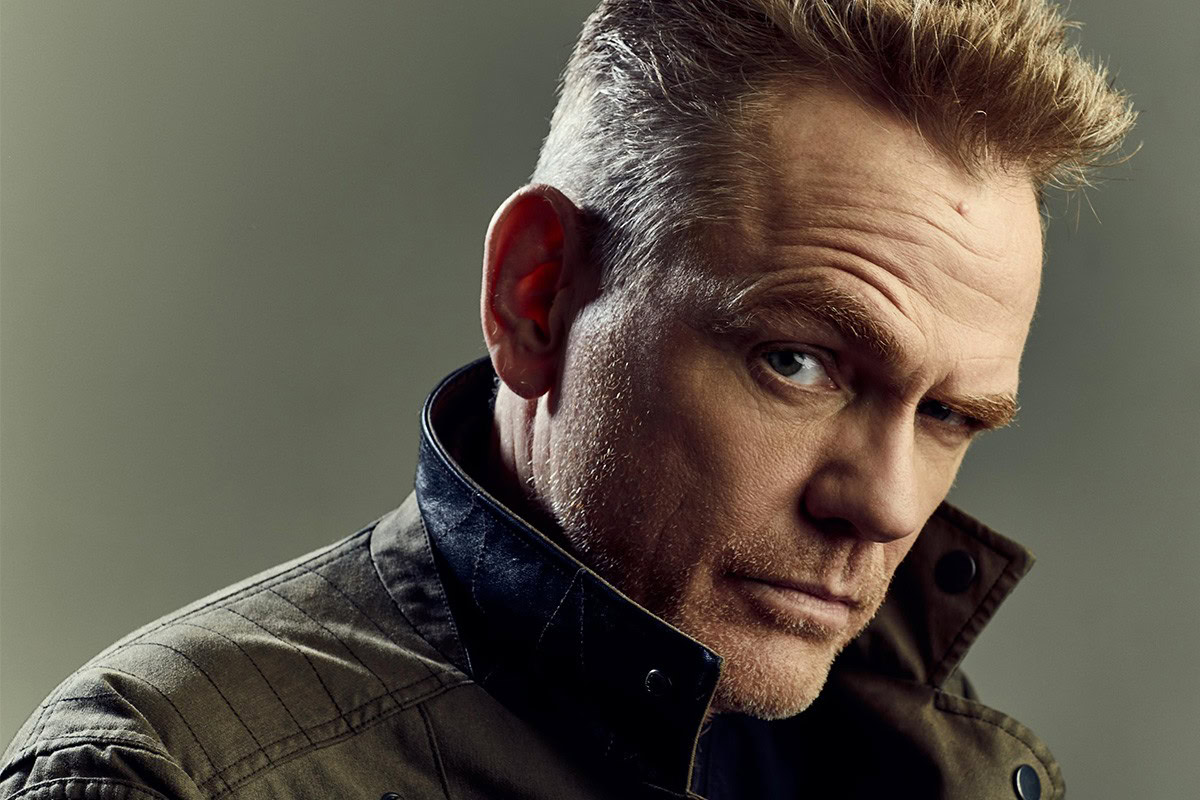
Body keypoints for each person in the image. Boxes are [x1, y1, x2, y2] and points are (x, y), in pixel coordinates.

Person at [1, 1, 1135, 798]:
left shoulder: (950, 764)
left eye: (949, 416)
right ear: (537, 297)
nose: (886, 506)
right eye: (797, 361)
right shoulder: (164, 775)